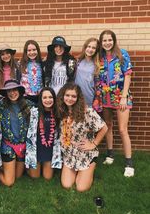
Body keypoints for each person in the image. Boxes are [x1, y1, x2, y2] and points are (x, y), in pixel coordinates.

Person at [95, 29, 134, 177]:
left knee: (123, 129)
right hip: (105, 98)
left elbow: (128, 75)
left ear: (114, 40)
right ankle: (110, 155)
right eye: (104, 40)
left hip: (121, 98)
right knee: (108, 126)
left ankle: (129, 163)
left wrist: (124, 97)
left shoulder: (122, 54)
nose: (107, 43)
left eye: (109, 40)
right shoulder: (100, 57)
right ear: (101, 42)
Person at [57, 83, 107, 192]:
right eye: (67, 95)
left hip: (85, 153)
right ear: (62, 96)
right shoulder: (62, 110)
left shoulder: (87, 111)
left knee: (81, 188)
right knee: (66, 185)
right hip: (69, 153)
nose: (70, 98)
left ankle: (91, 165)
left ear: (78, 98)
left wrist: (94, 144)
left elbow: (104, 128)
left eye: (73, 96)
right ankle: (76, 170)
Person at [0, 79, 32, 186]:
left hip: (22, 146)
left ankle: (7, 167)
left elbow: (46, 106)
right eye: (9, 91)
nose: (12, 93)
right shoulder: (0, 105)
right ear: (6, 93)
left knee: (18, 176)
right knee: (9, 182)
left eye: (14, 90)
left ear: (19, 91)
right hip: (8, 146)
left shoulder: (28, 104)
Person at [25, 87, 62, 180]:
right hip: (37, 149)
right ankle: (27, 168)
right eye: (44, 97)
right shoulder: (34, 112)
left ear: (54, 98)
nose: (48, 100)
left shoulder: (58, 114)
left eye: (50, 97)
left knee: (48, 177)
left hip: (50, 151)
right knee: (35, 177)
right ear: (40, 99)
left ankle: (47, 166)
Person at [75, 37, 100, 107]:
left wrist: (96, 99)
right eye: (89, 46)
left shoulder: (97, 65)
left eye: (93, 48)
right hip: (76, 98)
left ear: (96, 50)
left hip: (90, 99)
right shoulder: (77, 61)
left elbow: (98, 85)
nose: (90, 49)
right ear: (85, 47)